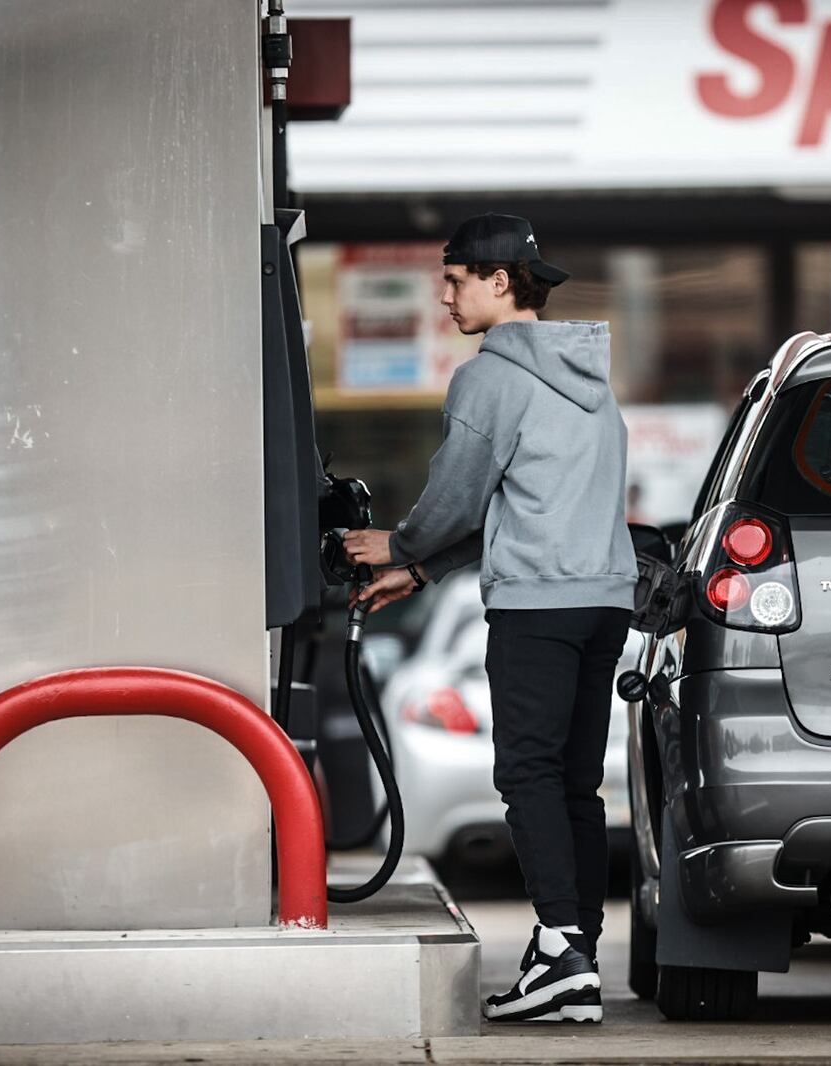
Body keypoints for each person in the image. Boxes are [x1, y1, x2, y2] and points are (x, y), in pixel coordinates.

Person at [343, 213, 637, 1024]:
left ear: (500, 280)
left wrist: (397, 544)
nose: (445, 296)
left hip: (536, 607)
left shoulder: (489, 378)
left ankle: (563, 955)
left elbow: (459, 493)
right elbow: (527, 503)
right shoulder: (589, 381)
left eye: (455, 278)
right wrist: (425, 570)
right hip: (603, 601)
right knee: (575, 784)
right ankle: (572, 957)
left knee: (528, 776)